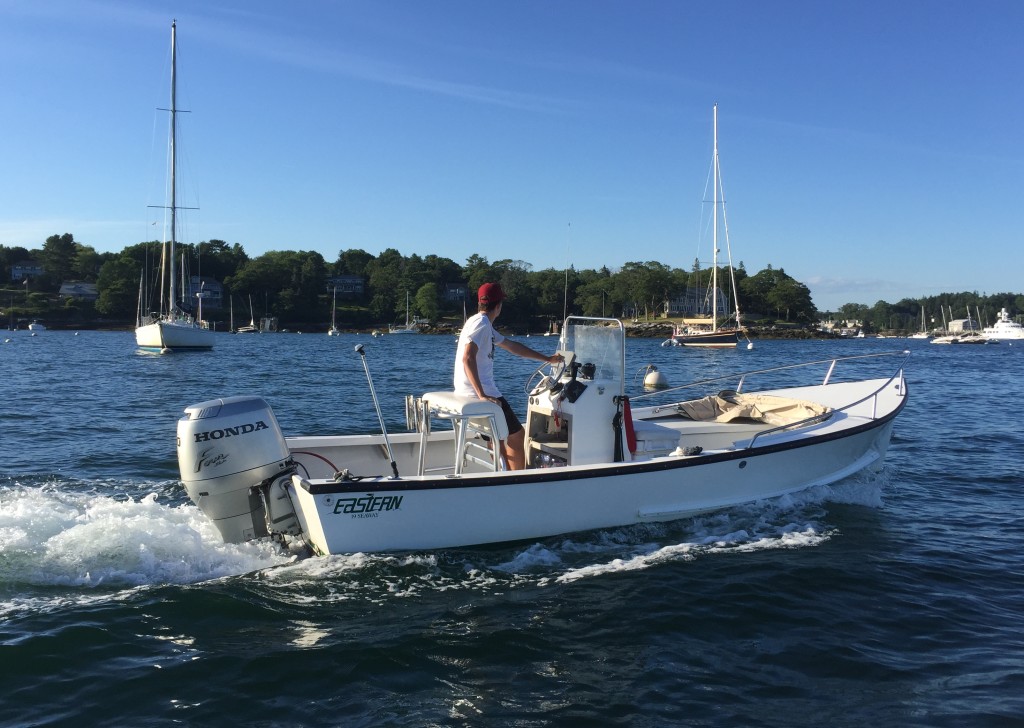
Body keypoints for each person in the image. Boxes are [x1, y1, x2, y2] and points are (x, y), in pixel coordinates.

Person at [454, 282, 562, 471]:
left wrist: (547, 359)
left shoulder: (479, 322)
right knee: (517, 435)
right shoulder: (481, 324)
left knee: (494, 435)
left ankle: (501, 474)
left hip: (467, 392)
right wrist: (481, 395)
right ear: (498, 306)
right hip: (481, 393)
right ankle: (516, 481)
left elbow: (513, 347)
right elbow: (467, 357)